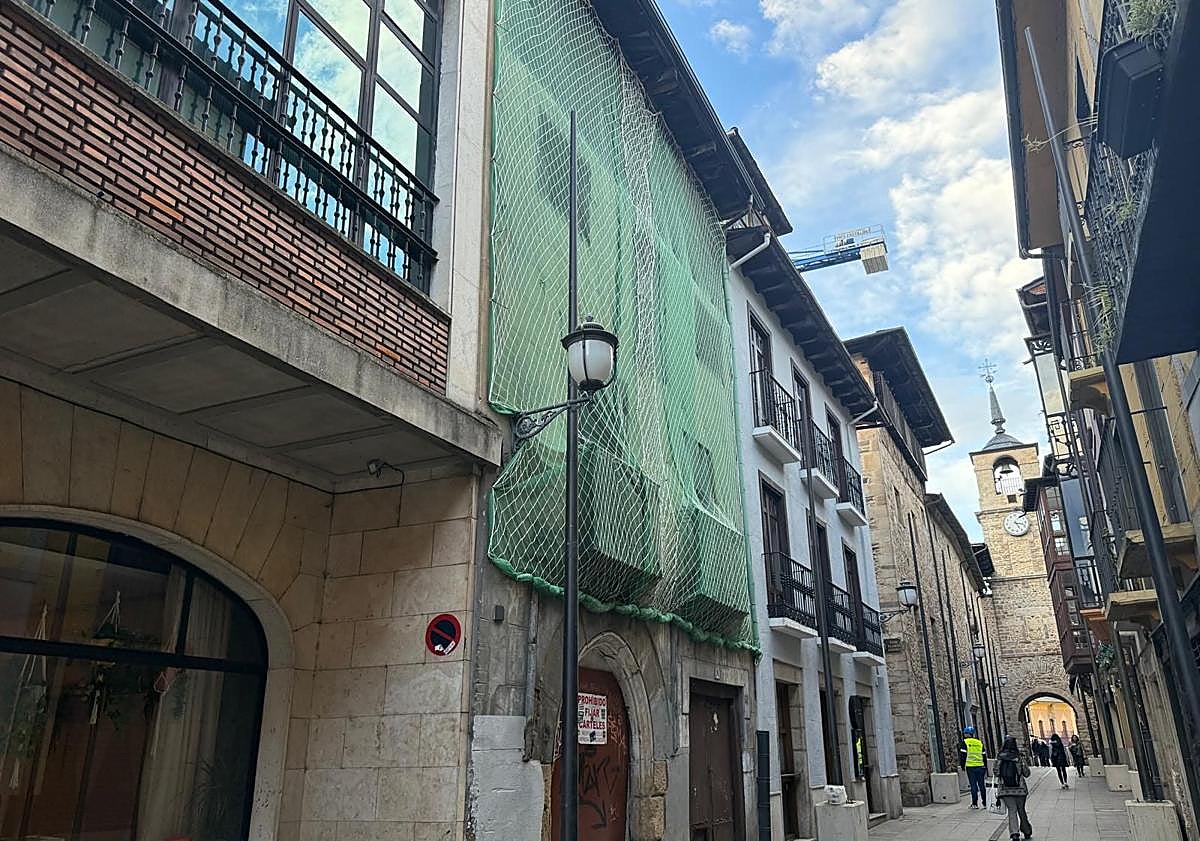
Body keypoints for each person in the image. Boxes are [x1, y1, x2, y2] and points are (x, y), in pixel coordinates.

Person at [997, 735, 1033, 841]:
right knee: (1021, 810)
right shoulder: (1019, 757)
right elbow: (1027, 773)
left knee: (1012, 810)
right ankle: (1027, 831)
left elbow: (996, 772)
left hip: (1005, 789)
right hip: (1020, 789)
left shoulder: (1000, 757)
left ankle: (1014, 833)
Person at [959, 725, 988, 809]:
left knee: (973, 785)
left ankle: (975, 803)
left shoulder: (965, 742)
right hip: (980, 766)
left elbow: (963, 756)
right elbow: (984, 755)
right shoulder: (979, 743)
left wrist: (962, 765)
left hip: (971, 767)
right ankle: (985, 803)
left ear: (966, 734)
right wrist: (985, 766)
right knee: (982, 785)